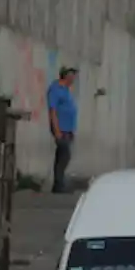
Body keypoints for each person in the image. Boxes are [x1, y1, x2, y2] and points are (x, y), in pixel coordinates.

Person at [47, 66, 78, 194]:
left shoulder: (66, 90)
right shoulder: (55, 90)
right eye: (72, 75)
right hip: (60, 128)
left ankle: (58, 184)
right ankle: (59, 184)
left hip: (68, 129)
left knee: (61, 156)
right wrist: (57, 130)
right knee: (65, 155)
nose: (74, 78)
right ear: (66, 76)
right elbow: (53, 111)